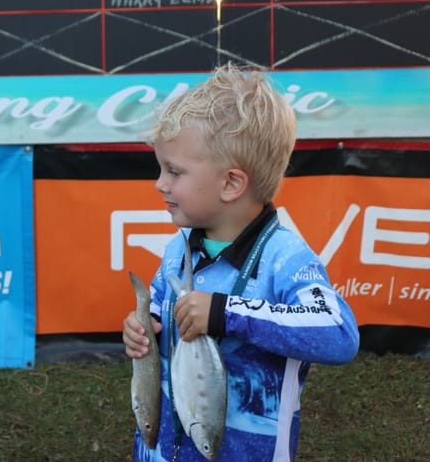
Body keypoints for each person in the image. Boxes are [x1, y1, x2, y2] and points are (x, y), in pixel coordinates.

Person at [122, 64, 359, 462]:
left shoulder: (286, 258)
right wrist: (142, 329)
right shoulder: (177, 249)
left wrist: (226, 312)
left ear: (231, 183)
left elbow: (339, 334)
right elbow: (162, 320)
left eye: (174, 171)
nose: (160, 184)